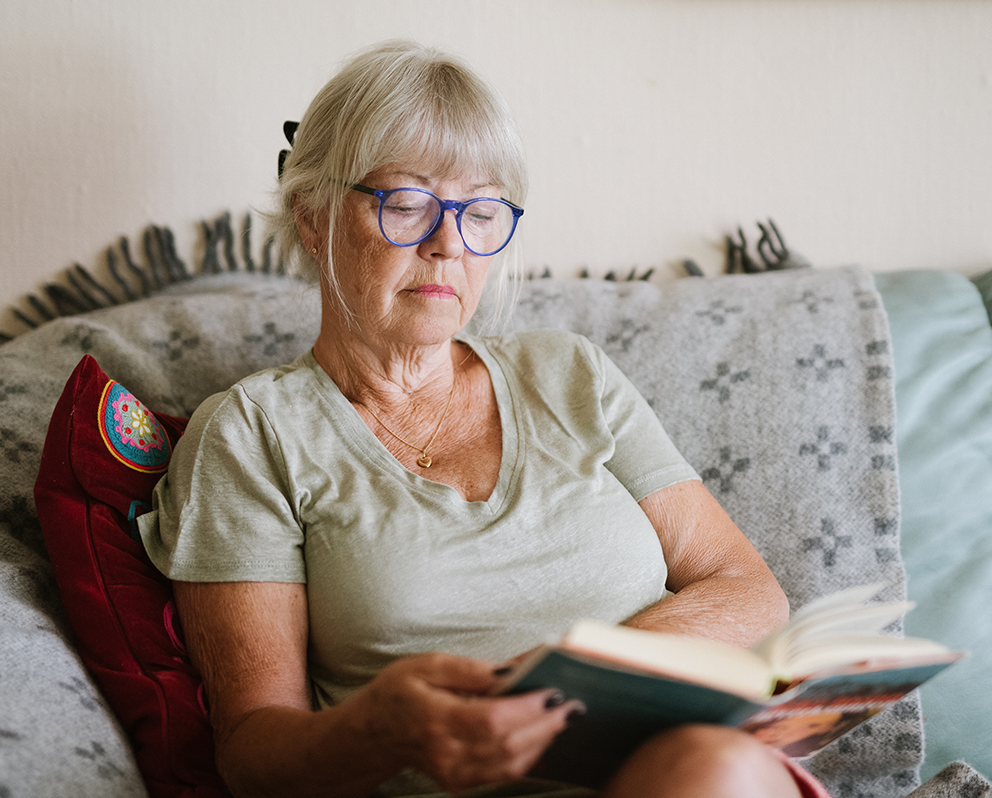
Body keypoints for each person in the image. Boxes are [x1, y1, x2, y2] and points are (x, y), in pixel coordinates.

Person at [139, 40, 830, 798]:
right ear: (312, 218)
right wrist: (383, 731)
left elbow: (748, 590)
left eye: (482, 210)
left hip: (676, 769)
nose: (448, 244)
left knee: (715, 766)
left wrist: (565, 677)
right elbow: (253, 752)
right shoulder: (252, 435)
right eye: (405, 203)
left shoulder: (570, 375)